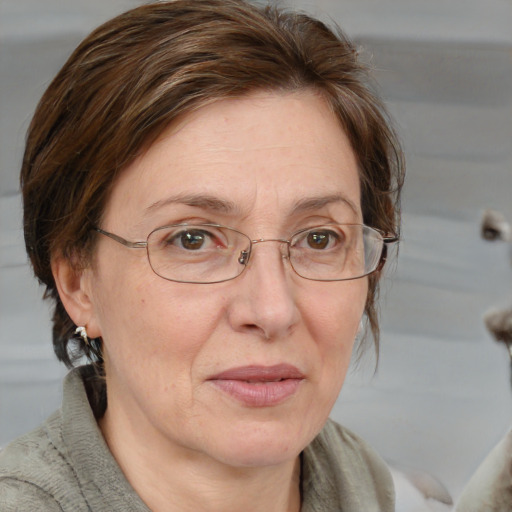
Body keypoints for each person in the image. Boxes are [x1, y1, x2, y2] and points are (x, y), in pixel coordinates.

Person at [0, 1, 404, 510]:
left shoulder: (368, 484)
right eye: (192, 239)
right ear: (79, 283)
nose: (273, 310)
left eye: (319, 239)